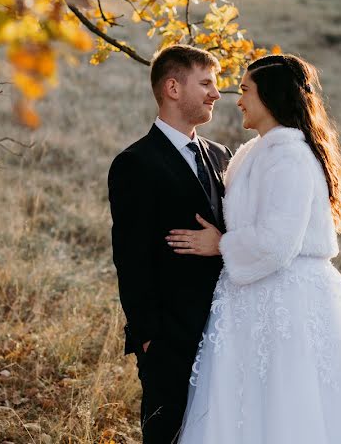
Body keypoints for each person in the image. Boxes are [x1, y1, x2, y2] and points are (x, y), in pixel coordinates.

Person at [168, 54, 341, 443]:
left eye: (246, 90)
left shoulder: (290, 156)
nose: (237, 99)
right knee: (244, 406)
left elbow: (278, 242)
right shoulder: (250, 152)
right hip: (247, 298)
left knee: (291, 402)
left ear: (271, 97)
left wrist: (221, 244)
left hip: (289, 299)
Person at [108, 45, 232, 444]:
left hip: (226, 329)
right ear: (173, 88)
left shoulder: (221, 154)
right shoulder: (135, 163)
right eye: (207, 83)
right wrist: (149, 338)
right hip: (169, 338)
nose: (216, 93)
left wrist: (224, 244)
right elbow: (131, 258)